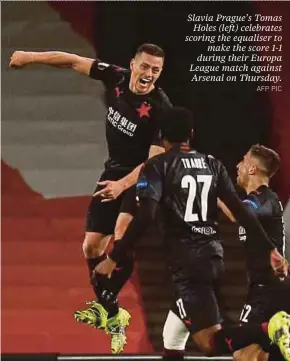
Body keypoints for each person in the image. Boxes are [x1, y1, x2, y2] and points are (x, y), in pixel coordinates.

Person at [9, 43, 172, 354]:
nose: (149, 75)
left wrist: (122, 186)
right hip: (113, 172)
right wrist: (30, 57)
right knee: (90, 247)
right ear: (132, 64)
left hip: (141, 181)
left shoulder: (160, 108)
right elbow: (71, 61)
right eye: (145, 67)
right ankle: (111, 313)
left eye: (156, 70)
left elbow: (153, 164)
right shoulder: (117, 78)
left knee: (121, 235)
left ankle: (111, 283)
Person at [95, 106, 290, 361]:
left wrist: (115, 257)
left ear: (162, 136)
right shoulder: (212, 164)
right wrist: (270, 249)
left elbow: (145, 216)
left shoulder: (157, 166)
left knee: (211, 344)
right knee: (172, 337)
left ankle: (269, 329)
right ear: (191, 133)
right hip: (211, 257)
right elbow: (239, 213)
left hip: (187, 262)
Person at [217, 145, 290, 361]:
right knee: (253, 355)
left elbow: (241, 212)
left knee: (241, 350)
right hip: (267, 288)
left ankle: (276, 327)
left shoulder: (265, 199)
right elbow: (239, 214)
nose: (238, 166)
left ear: (252, 169)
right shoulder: (255, 203)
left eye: (243, 161)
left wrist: (218, 191)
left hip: (267, 291)